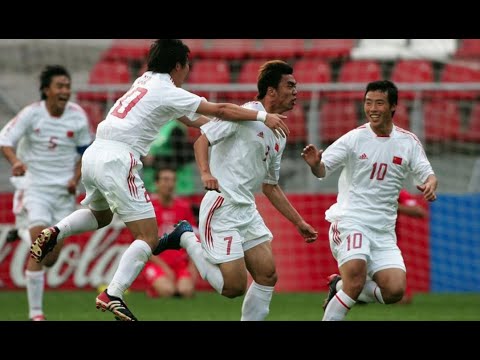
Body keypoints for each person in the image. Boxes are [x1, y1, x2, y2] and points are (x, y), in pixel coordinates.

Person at [29, 39, 290, 321]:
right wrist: (262, 117)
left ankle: (57, 231)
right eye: (187, 67)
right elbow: (221, 110)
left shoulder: (144, 81)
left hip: (95, 153)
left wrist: (232, 127)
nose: (187, 73)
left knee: (101, 215)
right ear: (178, 66)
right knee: (148, 237)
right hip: (118, 159)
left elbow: (193, 119)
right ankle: (113, 293)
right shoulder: (167, 89)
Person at [155, 60, 318, 321]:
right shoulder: (243, 115)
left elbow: (270, 186)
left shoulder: (280, 133)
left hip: (246, 209)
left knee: (267, 274)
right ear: (271, 91)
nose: (296, 91)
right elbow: (202, 140)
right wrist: (206, 173)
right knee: (233, 287)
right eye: (290, 86)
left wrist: (298, 222)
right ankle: (186, 237)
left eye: (296, 86)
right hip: (222, 206)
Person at [301, 80, 438, 321]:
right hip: (351, 221)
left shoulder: (408, 142)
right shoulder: (354, 139)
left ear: (393, 106)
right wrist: (315, 165)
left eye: (379, 103)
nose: (372, 108)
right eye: (368, 102)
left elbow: (428, 173)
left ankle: (338, 286)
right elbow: (323, 169)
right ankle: (344, 289)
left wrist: (430, 183)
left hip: (383, 231)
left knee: (395, 291)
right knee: (355, 279)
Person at [0, 64, 92, 321]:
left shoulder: (77, 116)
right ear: (46, 90)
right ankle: (36, 314)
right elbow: (4, 140)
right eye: (60, 86)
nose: (65, 90)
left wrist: (76, 179)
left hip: (64, 193)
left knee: (51, 258)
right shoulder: (32, 115)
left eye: (67, 86)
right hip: (35, 189)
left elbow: (86, 154)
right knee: (40, 248)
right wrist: (16, 162)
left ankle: (19, 233)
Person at [143, 166, 198, 298]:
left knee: (186, 291)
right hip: (157, 263)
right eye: (165, 179)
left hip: (180, 264)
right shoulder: (148, 209)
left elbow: (194, 238)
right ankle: (154, 288)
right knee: (167, 291)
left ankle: (171, 285)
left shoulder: (183, 207)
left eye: (173, 180)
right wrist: (165, 268)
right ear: (156, 183)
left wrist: (193, 265)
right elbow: (143, 244)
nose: (170, 184)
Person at [142, 119, 195, 196]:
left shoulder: (175, 128)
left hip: (179, 181)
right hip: (151, 179)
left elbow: (182, 156)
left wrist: (154, 159)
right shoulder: (148, 125)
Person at [396, 188, 427, 304]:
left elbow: (419, 211)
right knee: (353, 287)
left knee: (402, 299)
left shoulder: (397, 190)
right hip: (363, 239)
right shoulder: (362, 188)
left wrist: (392, 205)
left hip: (387, 244)